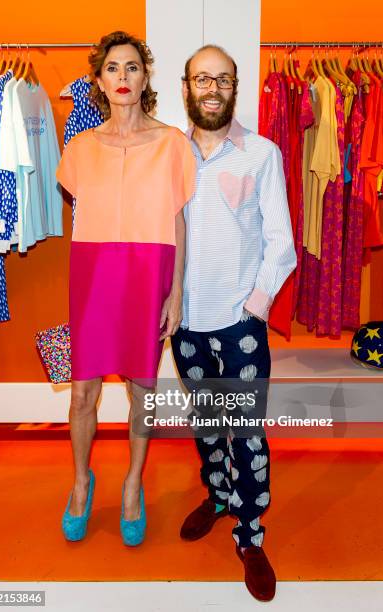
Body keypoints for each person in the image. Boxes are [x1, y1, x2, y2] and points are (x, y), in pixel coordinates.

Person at [55, 31, 196, 547]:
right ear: (98, 80)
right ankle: (80, 481)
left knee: (144, 391)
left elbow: (180, 224)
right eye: (112, 68)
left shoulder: (172, 144)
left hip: (147, 276)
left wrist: (175, 292)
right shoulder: (79, 148)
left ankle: (134, 482)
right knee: (82, 392)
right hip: (93, 277)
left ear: (145, 78)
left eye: (132, 67)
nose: (122, 77)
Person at [171, 44, 296, 601]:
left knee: (246, 432)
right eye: (202, 80)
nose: (212, 89)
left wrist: (256, 305)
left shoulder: (261, 154)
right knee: (206, 424)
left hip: (240, 323)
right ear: (187, 88)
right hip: (185, 321)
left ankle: (250, 533)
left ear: (235, 86)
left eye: (222, 79)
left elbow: (282, 243)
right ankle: (218, 495)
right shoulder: (169, 156)